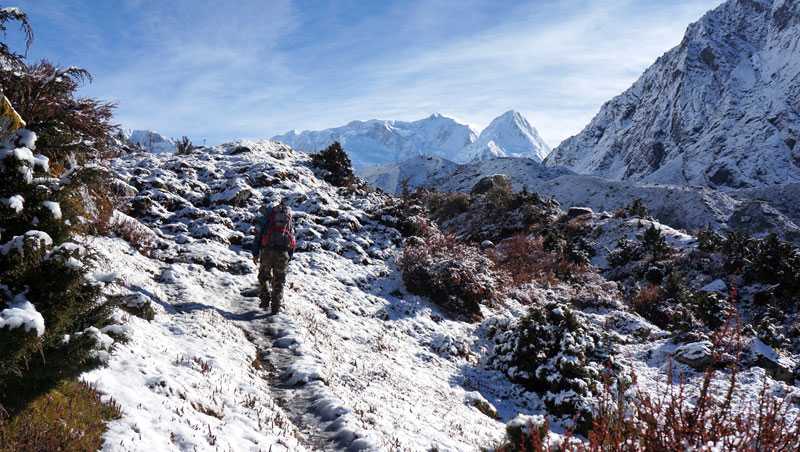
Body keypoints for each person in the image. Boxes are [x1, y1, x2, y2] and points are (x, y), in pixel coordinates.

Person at [252, 198, 296, 314]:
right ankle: (276, 306)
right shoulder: (288, 220)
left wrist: (255, 253)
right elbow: (292, 239)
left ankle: (265, 300)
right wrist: (289, 256)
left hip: (267, 251)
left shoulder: (268, 218)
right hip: (283, 253)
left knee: (263, 276)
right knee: (279, 280)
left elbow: (258, 235)